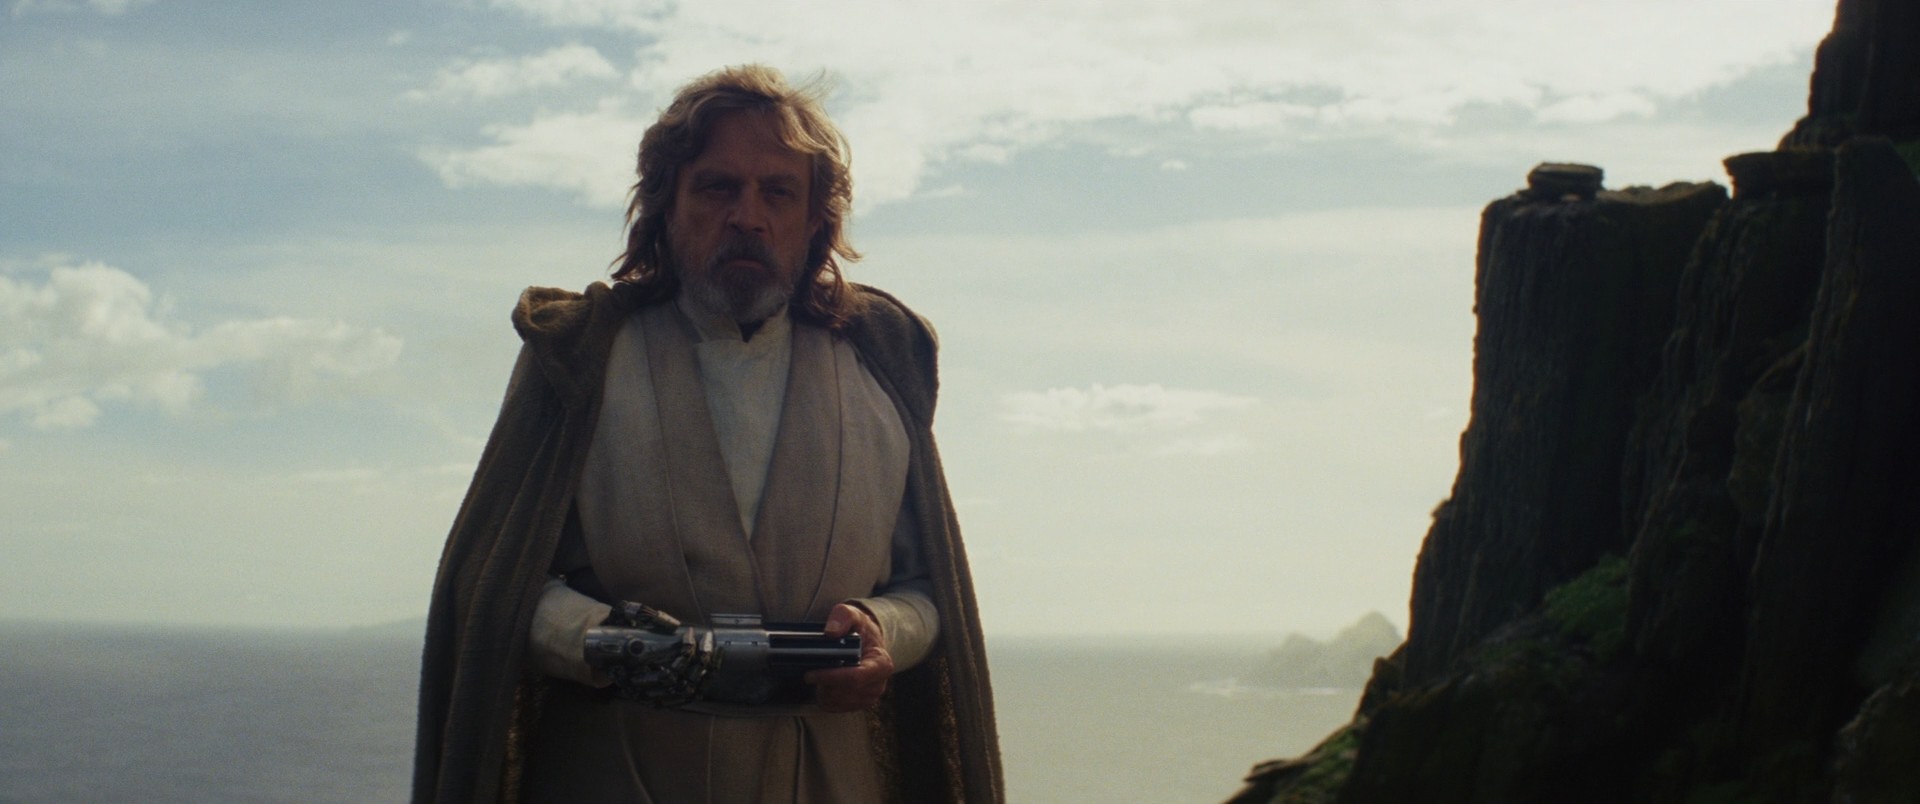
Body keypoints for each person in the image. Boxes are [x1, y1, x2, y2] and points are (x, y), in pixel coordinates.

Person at [411, 65, 1003, 802]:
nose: (747, 216)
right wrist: (613, 643)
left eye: (777, 192)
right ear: (666, 205)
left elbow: (928, 590)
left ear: (814, 219)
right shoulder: (579, 358)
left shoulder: (881, 365)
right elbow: (494, 587)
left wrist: (880, 631)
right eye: (718, 187)